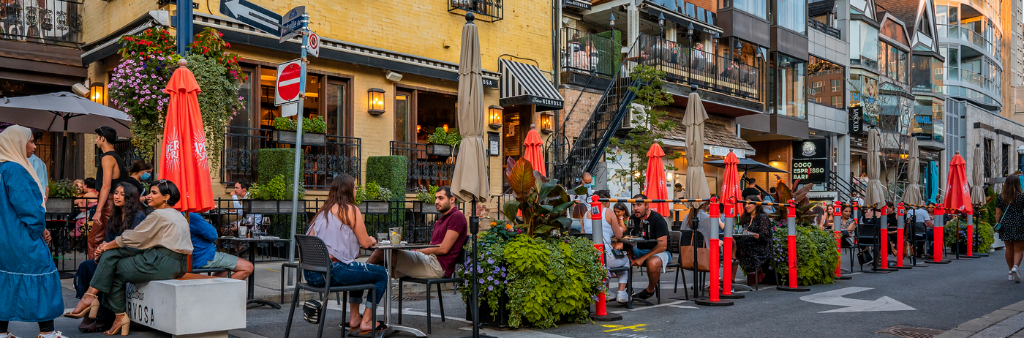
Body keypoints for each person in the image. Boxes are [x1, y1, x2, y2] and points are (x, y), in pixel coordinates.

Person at [66, 180, 193, 336]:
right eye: (150, 192)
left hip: (163, 261)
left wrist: (106, 246)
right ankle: (116, 315)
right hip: (176, 263)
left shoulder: (159, 215)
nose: (148, 196)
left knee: (110, 266)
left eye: (154, 193)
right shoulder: (174, 213)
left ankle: (93, 299)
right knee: (112, 264)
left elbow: (134, 238)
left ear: (166, 197)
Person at [0, 125, 67, 338]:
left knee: (5, 281)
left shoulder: (2, 168)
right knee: (42, 276)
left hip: (4, 236)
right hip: (22, 237)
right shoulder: (16, 170)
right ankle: (47, 332)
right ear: (18, 143)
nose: (34, 146)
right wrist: (39, 230)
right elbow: (29, 208)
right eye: (30, 141)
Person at [304, 174, 388, 334]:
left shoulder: (323, 212)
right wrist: (371, 239)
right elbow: (365, 242)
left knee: (361, 269)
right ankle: (367, 321)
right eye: (355, 187)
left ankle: (355, 318)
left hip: (311, 275)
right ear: (349, 189)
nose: (356, 190)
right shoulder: (350, 209)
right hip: (332, 272)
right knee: (381, 273)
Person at [71, 182, 145, 333]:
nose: (117, 197)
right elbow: (108, 239)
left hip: (129, 256)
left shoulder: (138, 217)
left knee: (105, 267)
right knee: (87, 266)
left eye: (122, 194)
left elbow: (131, 243)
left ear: (130, 198)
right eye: (116, 193)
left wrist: (106, 248)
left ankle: (104, 318)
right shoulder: (114, 216)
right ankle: (91, 313)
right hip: (111, 255)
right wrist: (101, 248)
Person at [368, 186, 467, 280]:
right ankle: (362, 294)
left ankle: (356, 278)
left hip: (438, 265)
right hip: (430, 261)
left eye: (441, 198)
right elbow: (434, 245)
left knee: (381, 252)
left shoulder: (456, 216)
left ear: (452, 199)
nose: (436, 202)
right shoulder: (441, 220)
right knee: (380, 267)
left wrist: (418, 251)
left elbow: (444, 249)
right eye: (436, 198)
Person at [89, 126, 127, 261]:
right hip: (114, 202)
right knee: (101, 238)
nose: (96, 140)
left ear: (102, 138)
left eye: (97, 137)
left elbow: (106, 185)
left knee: (96, 239)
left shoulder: (107, 158)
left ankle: (95, 270)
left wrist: (98, 210)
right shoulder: (116, 157)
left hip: (108, 203)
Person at [589, 190, 630, 303]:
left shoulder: (587, 213)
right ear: (607, 200)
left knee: (608, 264)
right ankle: (621, 293)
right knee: (625, 260)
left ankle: (605, 292)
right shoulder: (608, 211)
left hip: (589, 257)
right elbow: (619, 234)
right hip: (603, 256)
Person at [626, 194, 670, 300]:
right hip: (641, 250)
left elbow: (662, 245)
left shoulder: (657, 219)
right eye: (634, 205)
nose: (636, 208)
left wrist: (642, 258)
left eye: (639, 205)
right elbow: (628, 238)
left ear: (647, 205)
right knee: (621, 255)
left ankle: (650, 290)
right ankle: (625, 289)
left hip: (661, 252)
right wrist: (629, 250)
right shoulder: (633, 218)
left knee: (653, 263)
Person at [188, 212, 253, 280]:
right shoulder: (191, 215)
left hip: (190, 257)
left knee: (225, 268)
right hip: (202, 257)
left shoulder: (180, 214)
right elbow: (213, 235)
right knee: (248, 267)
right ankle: (221, 290)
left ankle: (213, 288)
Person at [735, 195, 773, 284]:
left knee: (739, 247)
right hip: (747, 243)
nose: (746, 206)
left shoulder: (762, 217)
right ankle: (732, 274)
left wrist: (749, 233)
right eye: (745, 204)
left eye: (749, 204)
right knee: (732, 244)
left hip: (760, 247)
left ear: (756, 204)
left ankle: (749, 271)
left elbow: (763, 237)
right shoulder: (745, 217)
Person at [997, 174, 1024, 283]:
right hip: (1019, 222)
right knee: (1019, 249)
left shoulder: (1001, 196)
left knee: (1009, 248)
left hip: (1005, 223)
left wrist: (997, 224)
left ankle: (1010, 271)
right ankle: (1015, 267)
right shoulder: (1022, 197)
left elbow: (998, 212)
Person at [28, 130, 48, 204]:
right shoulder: (41, 162)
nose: (35, 146)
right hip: (38, 203)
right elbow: (46, 188)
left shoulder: (26, 161)